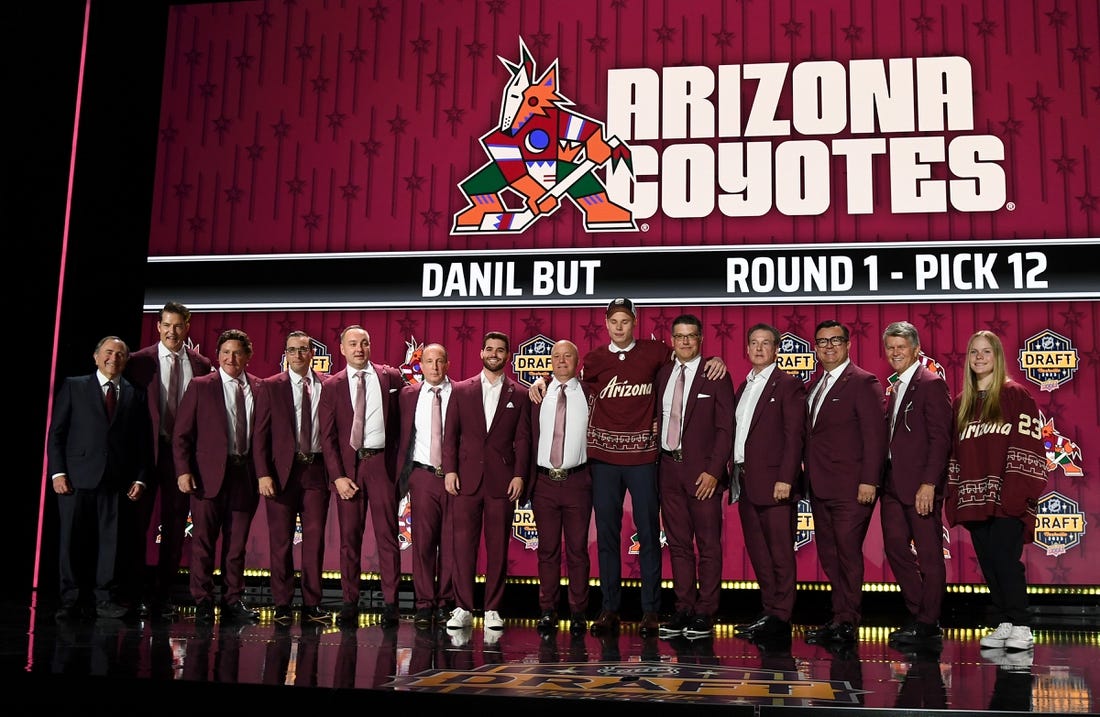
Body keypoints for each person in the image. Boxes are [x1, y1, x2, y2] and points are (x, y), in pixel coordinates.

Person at [528, 298, 724, 637]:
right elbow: (568, 375)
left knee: (649, 535)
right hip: (603, 461)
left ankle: (650, 610)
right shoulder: (594, 359)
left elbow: (686, 359)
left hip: (644, 461)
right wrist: (543, 379)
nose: (619, 327)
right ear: (606, 323)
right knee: (606, 537)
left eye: (625, 321)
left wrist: (716, 359)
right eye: (614, 321)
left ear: (635, 322)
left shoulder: (656, 353)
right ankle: (609, 608)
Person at [945, 330, 1046, 652]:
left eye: (986, 352)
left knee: (1006, 559)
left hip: (1006, 496)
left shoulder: (1016, 395)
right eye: (974, 352)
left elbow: (1029, 446)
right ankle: (1004, 621)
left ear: (997, 357)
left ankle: (1022, 624)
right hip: (975, 499)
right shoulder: (961, 403)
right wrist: (955, 495)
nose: (979, 357)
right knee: (988, 560)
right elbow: (954, 454)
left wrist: (1016, 493)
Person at [48, 336, 152, 620]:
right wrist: (57, 472)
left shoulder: (135, 392)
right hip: (75, 479)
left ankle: (104, 599)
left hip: (116, 480)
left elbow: (143, 442)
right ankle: (70, 600)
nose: (114, 359)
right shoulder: (74, 386)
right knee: (71, 542)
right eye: (108, 353)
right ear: (96, 357)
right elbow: (56, 434)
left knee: (111, 543)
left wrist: (141, 478)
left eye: (120, 355)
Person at [802, 319, 888, 645]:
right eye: (822, 341)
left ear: (848, 344)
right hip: (820, 486)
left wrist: (869, 480)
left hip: (852, 488)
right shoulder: (814, 385)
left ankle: (849, 620)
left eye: (835, 340)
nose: (828, 346)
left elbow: (875, 438)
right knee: (830, 555)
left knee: (847, 553)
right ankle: (839, 616)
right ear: (815, 347)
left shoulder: (863, 382)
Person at [124, 301, 213, 616]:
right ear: (158, 327)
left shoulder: (202, 365)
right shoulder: (137, 362)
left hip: (182, 458)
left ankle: (163, 598)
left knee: (175, 527)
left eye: (179, 326)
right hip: (146, 454)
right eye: (167, 325)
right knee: (136, 526)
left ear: (187, 327)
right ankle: (131, 596)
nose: (172, 331)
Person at [174, 328, 264, 623]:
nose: (231, 358)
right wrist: (183, 470)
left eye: (237, 352)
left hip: (245, 476)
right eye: (226, 352)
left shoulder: (261, 388)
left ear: (248, 356)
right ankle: (201, 600)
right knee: (203, 542)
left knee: (236, 545)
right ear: (217, 355)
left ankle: (232, 601)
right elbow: (182, 435)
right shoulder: (201, 386)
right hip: (206, 477)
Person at [443, 332, 531, 633]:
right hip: (466, 480)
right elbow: (450, 436)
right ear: (481, 352)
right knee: (462, 548)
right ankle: (463, 607)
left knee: (498, 549)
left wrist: (519, 474)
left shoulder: (519, 394)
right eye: (489, 349)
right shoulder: (461, 390)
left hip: (502, 482)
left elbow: (523, 438)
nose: (494, 354)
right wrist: (450, 470)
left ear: (508, 356)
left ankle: (493, 608)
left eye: (500, 350)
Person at [317, 325, 404, 627]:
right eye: (352, 344)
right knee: (349, 540)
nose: (359, 349)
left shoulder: (390, 377)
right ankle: (349, 602)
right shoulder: (331, 385)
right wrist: (338, 476)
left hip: (381, 466)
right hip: (349, 469)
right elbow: (326, 437)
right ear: (341, 348)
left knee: (388, 537)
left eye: (364, 343)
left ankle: (392, 603)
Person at [654, 314, 734, 640]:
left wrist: (714, 472)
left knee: (708, 546)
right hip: (668, 469)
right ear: (672, 340)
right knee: (678, 545)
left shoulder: (715, 374)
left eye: (691, 336)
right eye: (679, 336)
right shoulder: (663, 374)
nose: (685, 341)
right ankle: (684, 607)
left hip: (703, 474)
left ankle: (705, 612)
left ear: (700, 339)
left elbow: (725, 428)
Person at [731, 323, 806, 644]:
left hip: (775, 482)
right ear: (746, 349)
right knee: (759, 552)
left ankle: (782, 615)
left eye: (766, 343)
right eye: (754, 343)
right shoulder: (743, 386)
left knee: (780, 553)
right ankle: (769, 610)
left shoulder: (787, 384)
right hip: (745, 480)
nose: (759, 348)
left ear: (777, 349)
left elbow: (794, 436)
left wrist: (786, 478)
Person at [880, 321, 953, 648]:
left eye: (901, 347)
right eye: (891, 347)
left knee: (929, 554)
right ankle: (918, 612)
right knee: (895, 546)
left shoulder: (930, 384)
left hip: (921, 485)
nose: (895, 353)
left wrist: (929, 484)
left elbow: (941, 439)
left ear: (916, 349)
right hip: (892, 485)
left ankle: (929, 621)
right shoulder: (894, 387)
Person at [253, 331, 332, 625]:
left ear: (312, 353)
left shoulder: (328, 385)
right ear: (285, 354)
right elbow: (259, 436)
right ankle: (282, 603)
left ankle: (313, 603)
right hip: (281, 474)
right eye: (292, 350)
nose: (298, 355)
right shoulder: (271, 387)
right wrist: (263, 473)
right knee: (281, 542)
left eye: (303, 350)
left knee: (314, 541)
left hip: (315, 471)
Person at [529, 340, 592, 637]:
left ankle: (578, 612)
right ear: (550, 361)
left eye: (568, 356)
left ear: (577, 361)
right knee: (548, 550)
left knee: (578, 550)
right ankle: (547, 610)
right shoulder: (537, 394)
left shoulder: (590, 393)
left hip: (578, 481)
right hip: (544, 482)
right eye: (556, 356)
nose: (562, 360)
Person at [396, 343, 456, 630]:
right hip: (421, 475)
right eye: (428, 361)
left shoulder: (461, 393)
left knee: (450, 544)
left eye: (439, 361)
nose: (434, 367)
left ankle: (444, 603)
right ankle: (423, 604)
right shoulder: (408, 396)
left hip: (454, 478)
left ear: (447, 364)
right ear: (420, 365)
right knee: (423, 544)